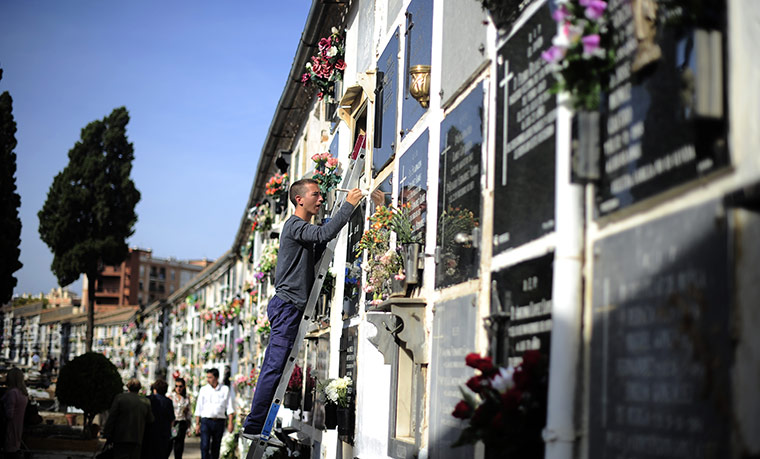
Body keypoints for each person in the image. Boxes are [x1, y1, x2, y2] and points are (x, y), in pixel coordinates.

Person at [242, 179, 363, 441]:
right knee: (274, 367)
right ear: (299, 199)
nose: (320, 199)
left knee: (277, 367)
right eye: (315, 195)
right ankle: (253, 427)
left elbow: (318, 244)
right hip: (287, 307)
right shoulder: (295, 225)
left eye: (321, 195)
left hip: (290, 307)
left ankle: (259, 425)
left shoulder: (301, 229)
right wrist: (348, 207)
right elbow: (322, 235)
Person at [102, 378, 154, 459]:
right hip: (137, 438)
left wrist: (107, 433)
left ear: (128, 387)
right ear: (139, 388)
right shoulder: (146, 401)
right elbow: (150, 419)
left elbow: (112, 417)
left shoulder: (120, 398)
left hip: (120, 437)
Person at [194, 368, 235, 459]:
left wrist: (230, 423)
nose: (208, 379)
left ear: (216, 378)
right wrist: (197, 424)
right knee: (204, 445)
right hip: (206, 421)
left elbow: (229, 407)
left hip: (219, 421)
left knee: (216, 446)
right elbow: (199, 407)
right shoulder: (204, 390)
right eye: (207, 377)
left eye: (210, 377)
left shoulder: (225, 389)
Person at [142, 379, 175, 459]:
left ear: (155, 389)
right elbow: (172, 418)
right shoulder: (168, 402)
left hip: (149, 432)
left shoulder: (148, 399)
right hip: (163, 433)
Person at [2, 368, 28, 457]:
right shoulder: (23, 393)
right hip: (18, 426)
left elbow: (9, 414)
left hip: (10, 427)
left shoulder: (12, 393)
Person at [169, 378, 191, 459]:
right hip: (173, 423)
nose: (178, 388)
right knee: (169, 444)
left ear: (183, 387)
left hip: (181, 422)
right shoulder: (171, 396)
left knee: (179, 446)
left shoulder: (186, 398)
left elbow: (189, 414)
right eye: (176, 386)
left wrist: (189, 428)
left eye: (180, 386)